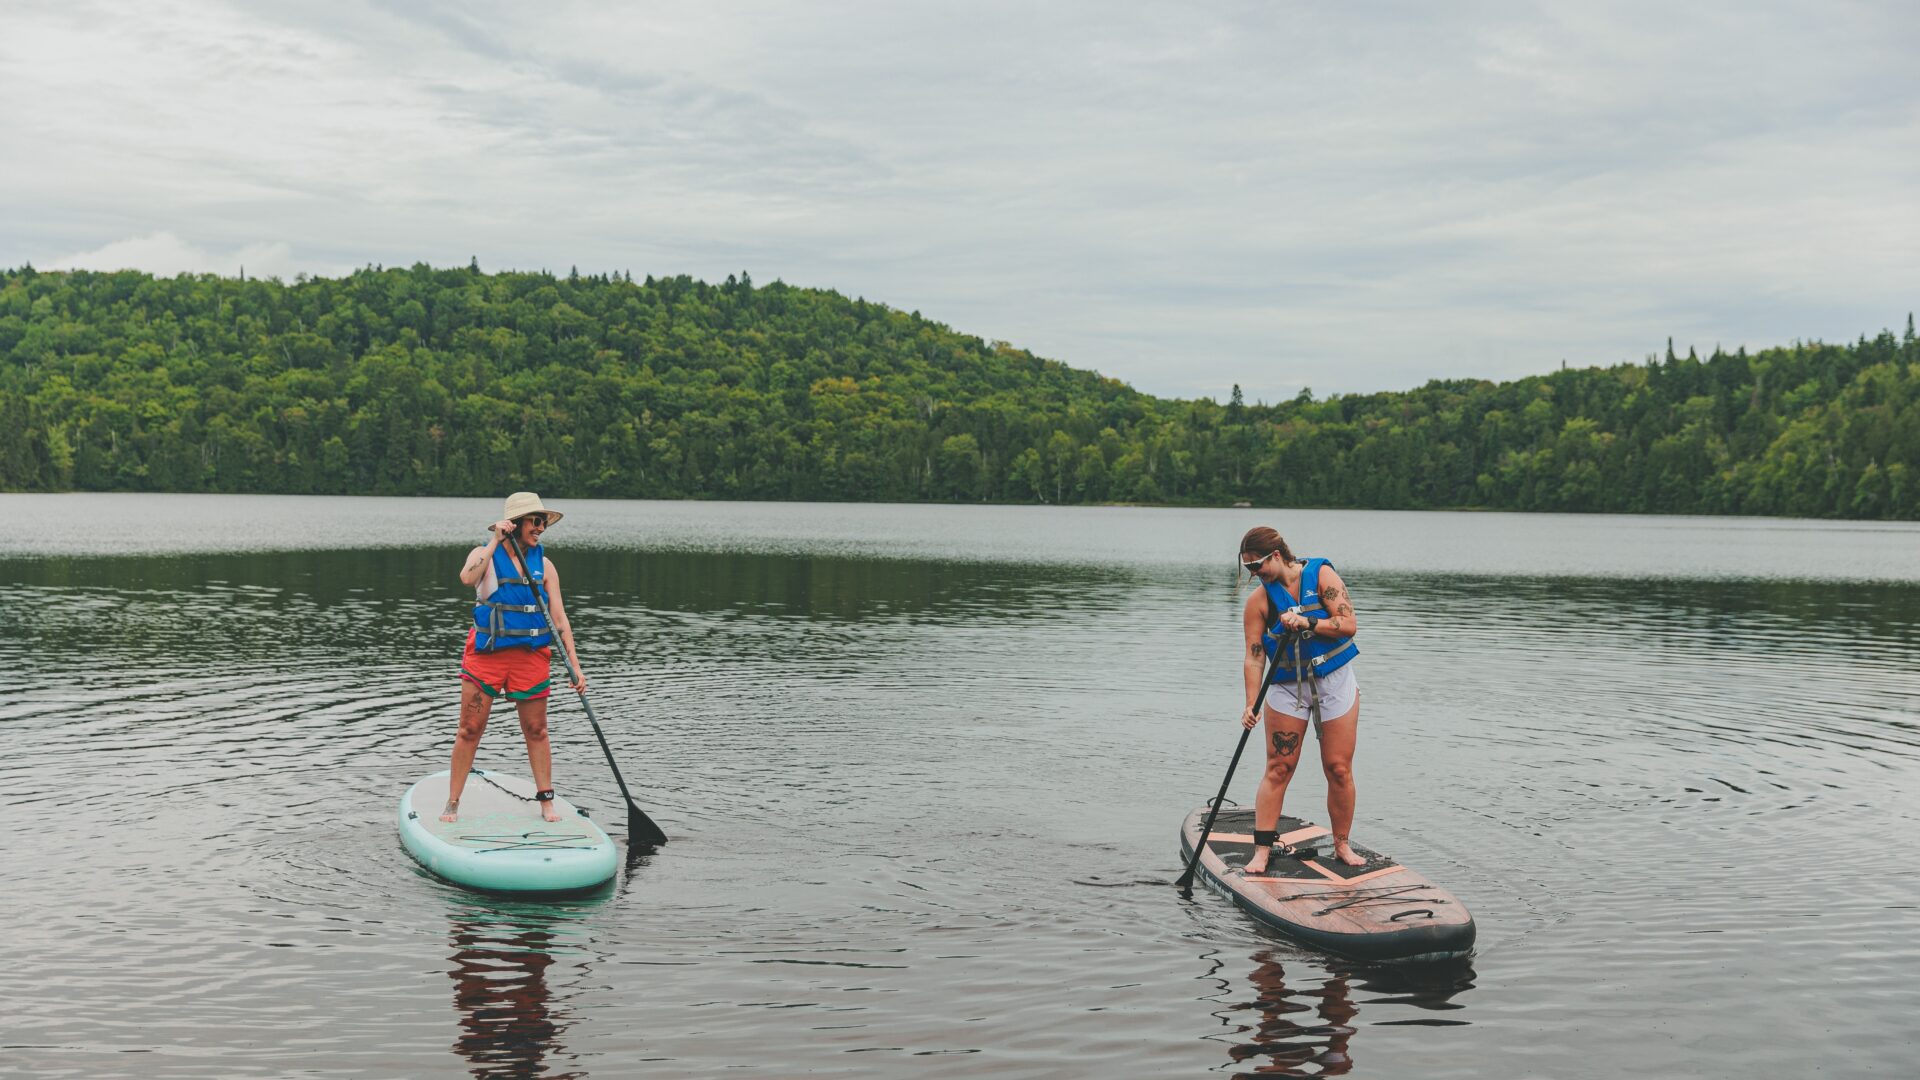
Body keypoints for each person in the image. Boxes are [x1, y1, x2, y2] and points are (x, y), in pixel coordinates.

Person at [439, 492, 587, 824]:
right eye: (536, 521)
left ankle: (546, 801)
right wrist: (495, 542)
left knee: (537, 730)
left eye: (543, 522)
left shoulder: (545, 565)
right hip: (486, 656)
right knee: (469, 729)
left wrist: (574, 664)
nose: (541, 528)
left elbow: (560, 620)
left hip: (530, 657)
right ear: (516, 523)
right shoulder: (484, 554)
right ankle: (452, 801)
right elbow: (467, 578)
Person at [1236, 525, 1365, 872]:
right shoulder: (1259, 601)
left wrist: (1307, 622)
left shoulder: (1322, 575)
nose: (1254, 574)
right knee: (1279, 767)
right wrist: (1251, 703)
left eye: (1256, 565)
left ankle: (1342, 845)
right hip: (1287, 686)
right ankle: (1262, 850)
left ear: (1276, 556)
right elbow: (1253, 655)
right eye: (1248, 568)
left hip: (1333, 680)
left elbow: (1348, 623)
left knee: (1338, 768)